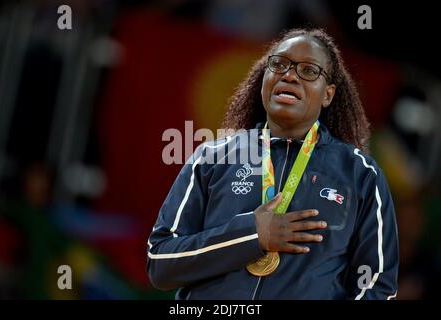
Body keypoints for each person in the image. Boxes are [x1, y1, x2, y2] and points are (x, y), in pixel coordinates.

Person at [147, 28, 399, 300]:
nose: (289, 75)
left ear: (328, 94)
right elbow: (161, 264)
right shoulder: (212, 157)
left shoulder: (360, 175)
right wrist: (250, 235)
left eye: (308, 70)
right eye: (278, 64)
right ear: (263, 78)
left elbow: (376, 285)